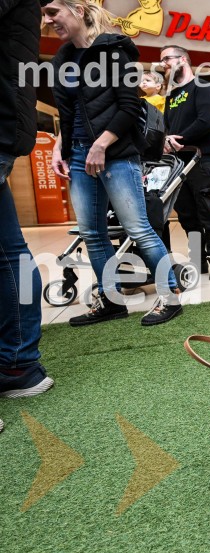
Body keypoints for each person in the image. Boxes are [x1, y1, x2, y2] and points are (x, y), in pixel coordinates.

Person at [43, 0, 182, 326]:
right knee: (92, 232)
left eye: (53, 12)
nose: (48, 21)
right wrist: (59, 147)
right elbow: (70, 113)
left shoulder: (114, 52)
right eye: (45, 15)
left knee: (138, 228)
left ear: (78, 10)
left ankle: (171, 296)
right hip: (80, 154)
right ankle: (111, 301)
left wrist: (101, 145)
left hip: (116, 154)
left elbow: (129, 108)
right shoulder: (63, 59)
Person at [0, 0, 55, 426]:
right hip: (7, 123)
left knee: (9, 256)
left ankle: (19, 361)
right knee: (9, 254)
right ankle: (18, 363)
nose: (49, 19)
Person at [159, 44, 210, 280]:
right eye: (162, 60)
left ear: (183, 60)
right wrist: (166, 140)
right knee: (187, 216)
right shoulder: (172, 96)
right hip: (178, 165)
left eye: (167, 59)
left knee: (209, 214)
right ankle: (198, 260)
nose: (163, 64)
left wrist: (179, 139)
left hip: (202, 161)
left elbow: (205, 121)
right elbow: (167, 126)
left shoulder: (202, 87)